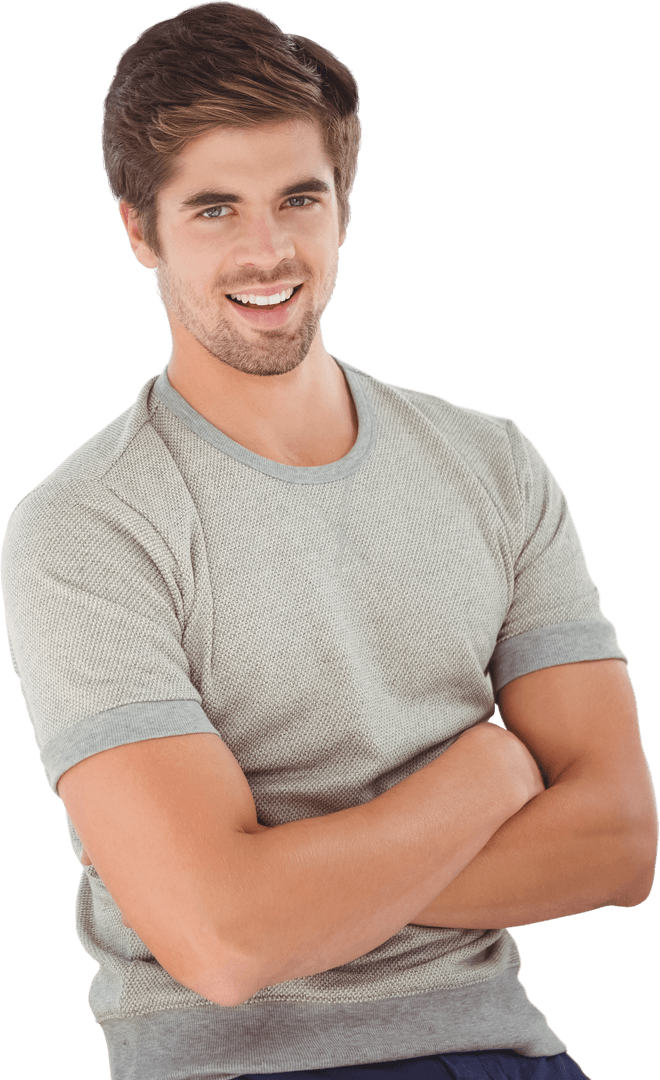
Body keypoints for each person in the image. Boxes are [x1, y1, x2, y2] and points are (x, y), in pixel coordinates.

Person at [1, 3, 657, 1079]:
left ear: (344, 207)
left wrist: (286, 891)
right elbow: (220, 944)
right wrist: (489, 774)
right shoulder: (85, 528)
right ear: (139, 230)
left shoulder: (492, 462)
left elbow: (623, 840)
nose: (268, 252)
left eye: (298, 198)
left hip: (505, 1049)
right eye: (214, 208)